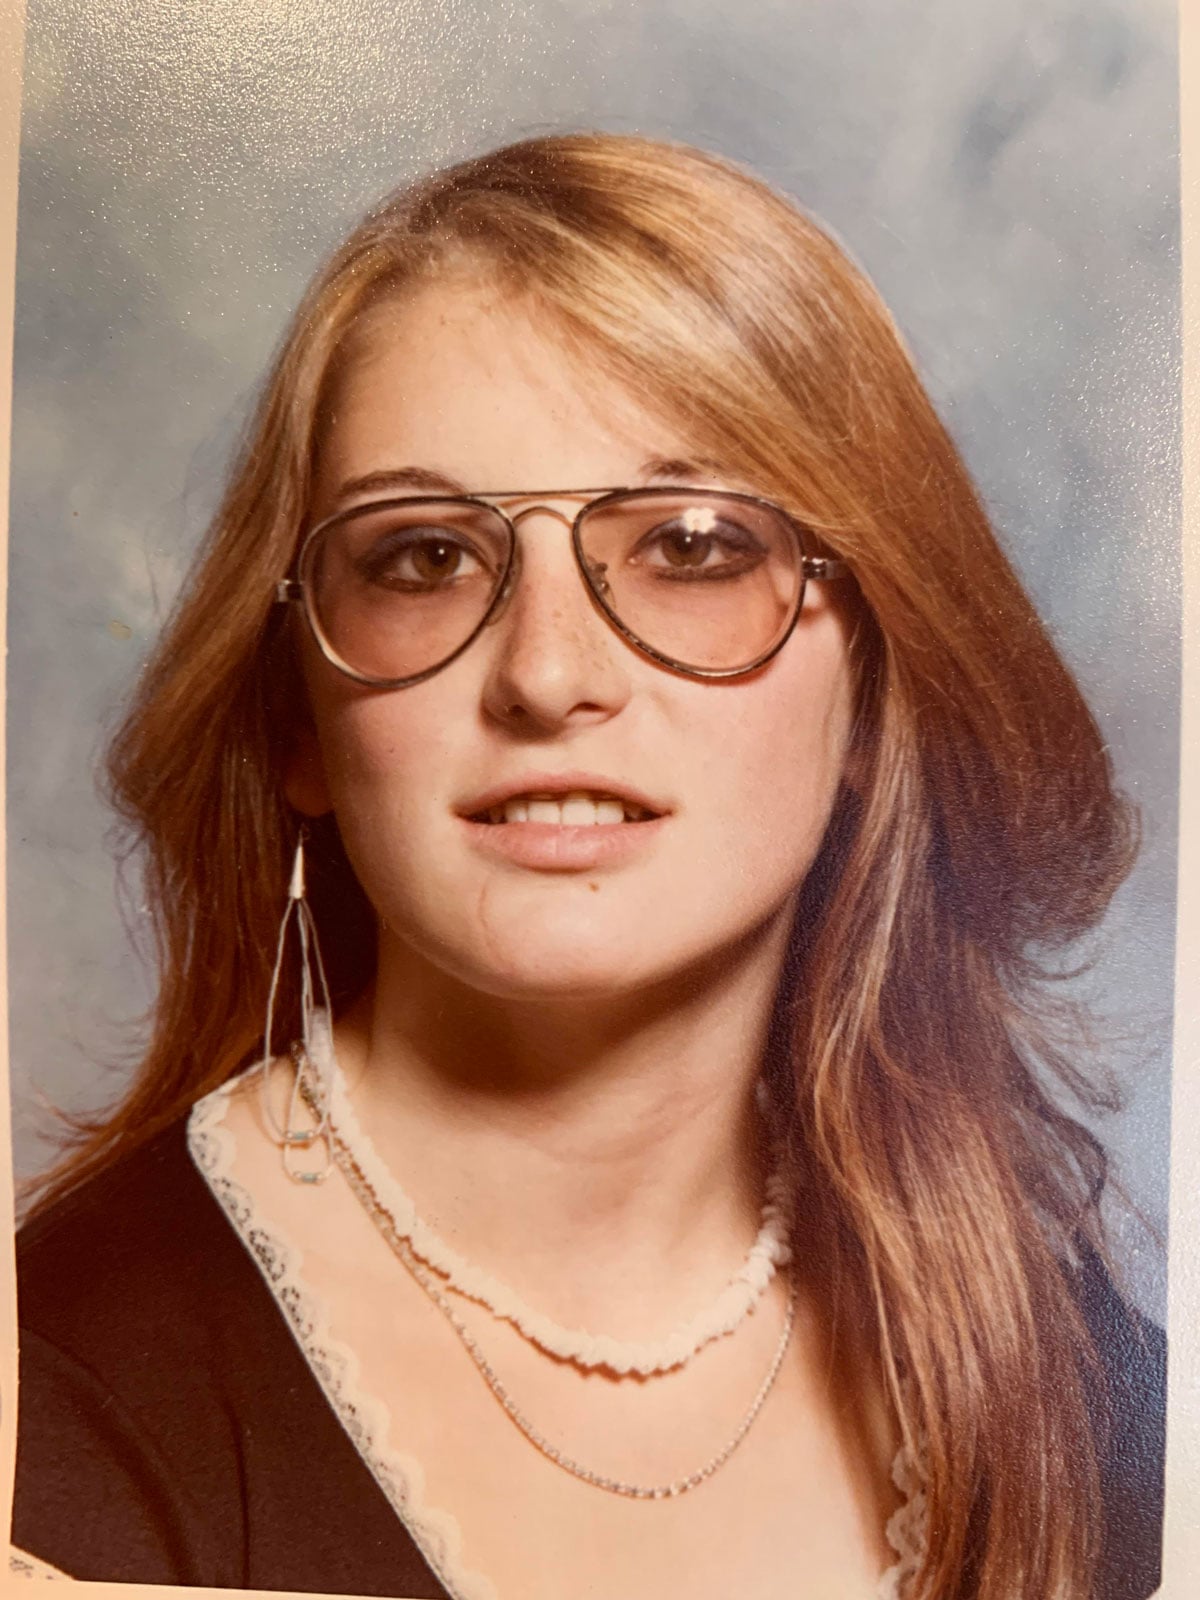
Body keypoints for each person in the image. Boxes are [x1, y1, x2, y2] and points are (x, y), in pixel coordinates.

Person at [10, 133, 1165, 1600]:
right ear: (299, 720)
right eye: (425, 558)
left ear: (878, 688)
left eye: (692, 545)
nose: (548, 676)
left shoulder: (1083, 1375)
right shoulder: (59, 1390)